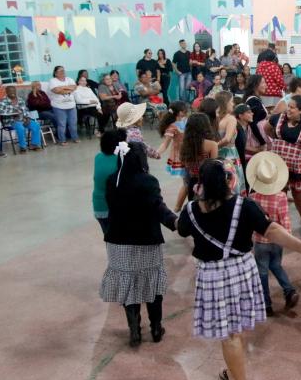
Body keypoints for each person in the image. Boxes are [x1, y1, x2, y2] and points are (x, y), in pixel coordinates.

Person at [177, 159, 301, 380]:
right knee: (239, 327)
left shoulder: (191, 210)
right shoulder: (244, 205)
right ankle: (233, 373)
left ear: (200, 184)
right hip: (242, 269)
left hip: (213, 275)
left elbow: (181, 229)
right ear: (227, 181)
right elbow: (271, 230)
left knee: (229, 334)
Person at [102, 142, 177, 347]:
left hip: (118, 243)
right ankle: (155, 328)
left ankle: (134, 329)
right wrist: (175, 222)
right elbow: (158, 207)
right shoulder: (148, 181)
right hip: (146, 241)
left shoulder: (112, 181)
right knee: (151, 286)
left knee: (129, 286)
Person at [246, 152, 299, 316]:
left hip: (260, 241)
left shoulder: (252, 198)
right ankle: (289, 290)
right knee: (276, 265)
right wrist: (288, 238)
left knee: (262, 271)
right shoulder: (281, 197)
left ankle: (266, 304)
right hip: (277, 239)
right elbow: (286, 220)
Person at [266, 95, 301, 233]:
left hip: (295, 163)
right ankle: (280, 222)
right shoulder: (278, 118)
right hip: (277, 161)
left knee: (299, 193)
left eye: (292, 108)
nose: (289, 110)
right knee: (278, 193)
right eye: (288, 106)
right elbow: (267, 128)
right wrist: (277, 143)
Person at [93, 128, 127, 234]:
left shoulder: (98, 157)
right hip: (114, 207)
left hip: (99, 207)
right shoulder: (121, 160)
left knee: (109, 238)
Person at [181, 113, 219, 205]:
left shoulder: (185, 145)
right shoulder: (212, 145)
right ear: (206, 126)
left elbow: (185, 166)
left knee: (195, 209)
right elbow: (213, 167)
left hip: (192, 182)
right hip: (207, 183)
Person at [215, 92, 246, 195]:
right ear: (226, 103)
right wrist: (215, 146)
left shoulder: (216, 117)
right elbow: (227, 139)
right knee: (233, 184)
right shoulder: (231, 119)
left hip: (217, 155)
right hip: (230, 155)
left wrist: (213, 147)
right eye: (231, 101)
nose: (233, 104)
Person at [0, 87, 43, 152]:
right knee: (20, 127)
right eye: (10, 91)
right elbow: (1, 112)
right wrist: (13, 112)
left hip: (23, 120)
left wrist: (27, 118)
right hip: (10, 121)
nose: (12, 93)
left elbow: (26, 110)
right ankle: (23, 147)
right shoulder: (2, 101)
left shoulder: (20, 99)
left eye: (13, 91)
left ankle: (35, 144)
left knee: (36, 125)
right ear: (6, 92)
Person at [156, 101, 188, 179]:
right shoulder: (172, 127)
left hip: (188, 151)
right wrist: (156, 153)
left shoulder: (185, 120)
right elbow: (165, 144)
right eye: (184, 109)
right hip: (179, 154)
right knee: (185, 177)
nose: (186, 111)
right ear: (179, 112)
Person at [49, 65, 79, 145]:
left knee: (73, 123)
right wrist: (68, 88)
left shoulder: (69, 79)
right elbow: (56, 90)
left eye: (63, 70)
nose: (63, 72)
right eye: (60, 71)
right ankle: (62, 140)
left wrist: (62, 88)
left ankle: (75, 138)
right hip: (59, 106)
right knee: (62, 124)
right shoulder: (53, 81)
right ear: (55, 73)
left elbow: (74, 87)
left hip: (71, 105)